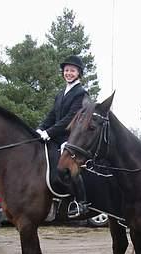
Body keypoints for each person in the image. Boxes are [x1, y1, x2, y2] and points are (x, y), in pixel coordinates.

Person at [36, 55, 90, 218]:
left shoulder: (81, 93)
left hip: (72, 137)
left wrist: (49, 132)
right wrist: (40, 128)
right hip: (57, 135)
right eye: (66, 70)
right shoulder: (60, 94)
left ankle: (81, 202)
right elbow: (52, 115)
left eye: (72, 71)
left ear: (78, 73)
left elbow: (70, 118)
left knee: (70, 166)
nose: (69, 73)